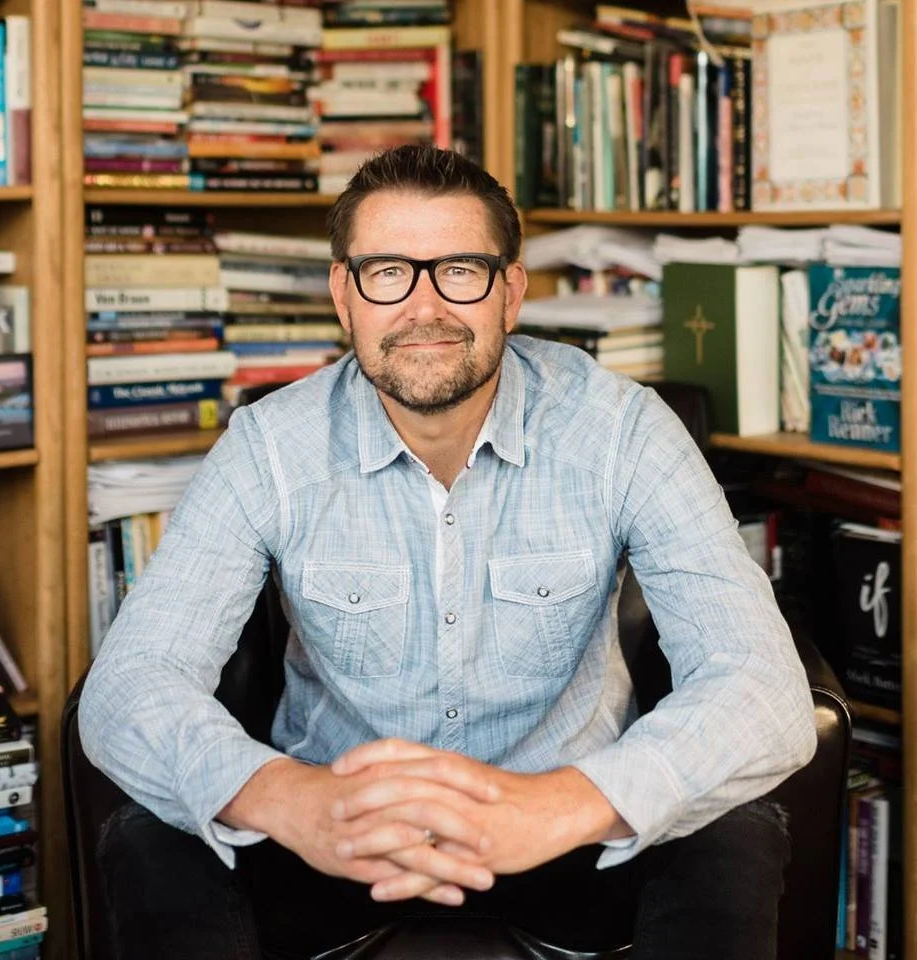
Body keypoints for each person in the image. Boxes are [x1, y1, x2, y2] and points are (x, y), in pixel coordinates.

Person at [79, 145, 817, 960]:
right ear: (343, 294)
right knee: (160, 827)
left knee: (731, 828)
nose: (423, 306)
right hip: (334, 841)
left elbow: (761, 687)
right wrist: (291, 801)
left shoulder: (622, 430)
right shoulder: (269, 448)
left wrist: (566, 805)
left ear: (511, 291)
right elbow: (130, 685)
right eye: (387, 272)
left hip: (575, 835)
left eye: (459, 270)